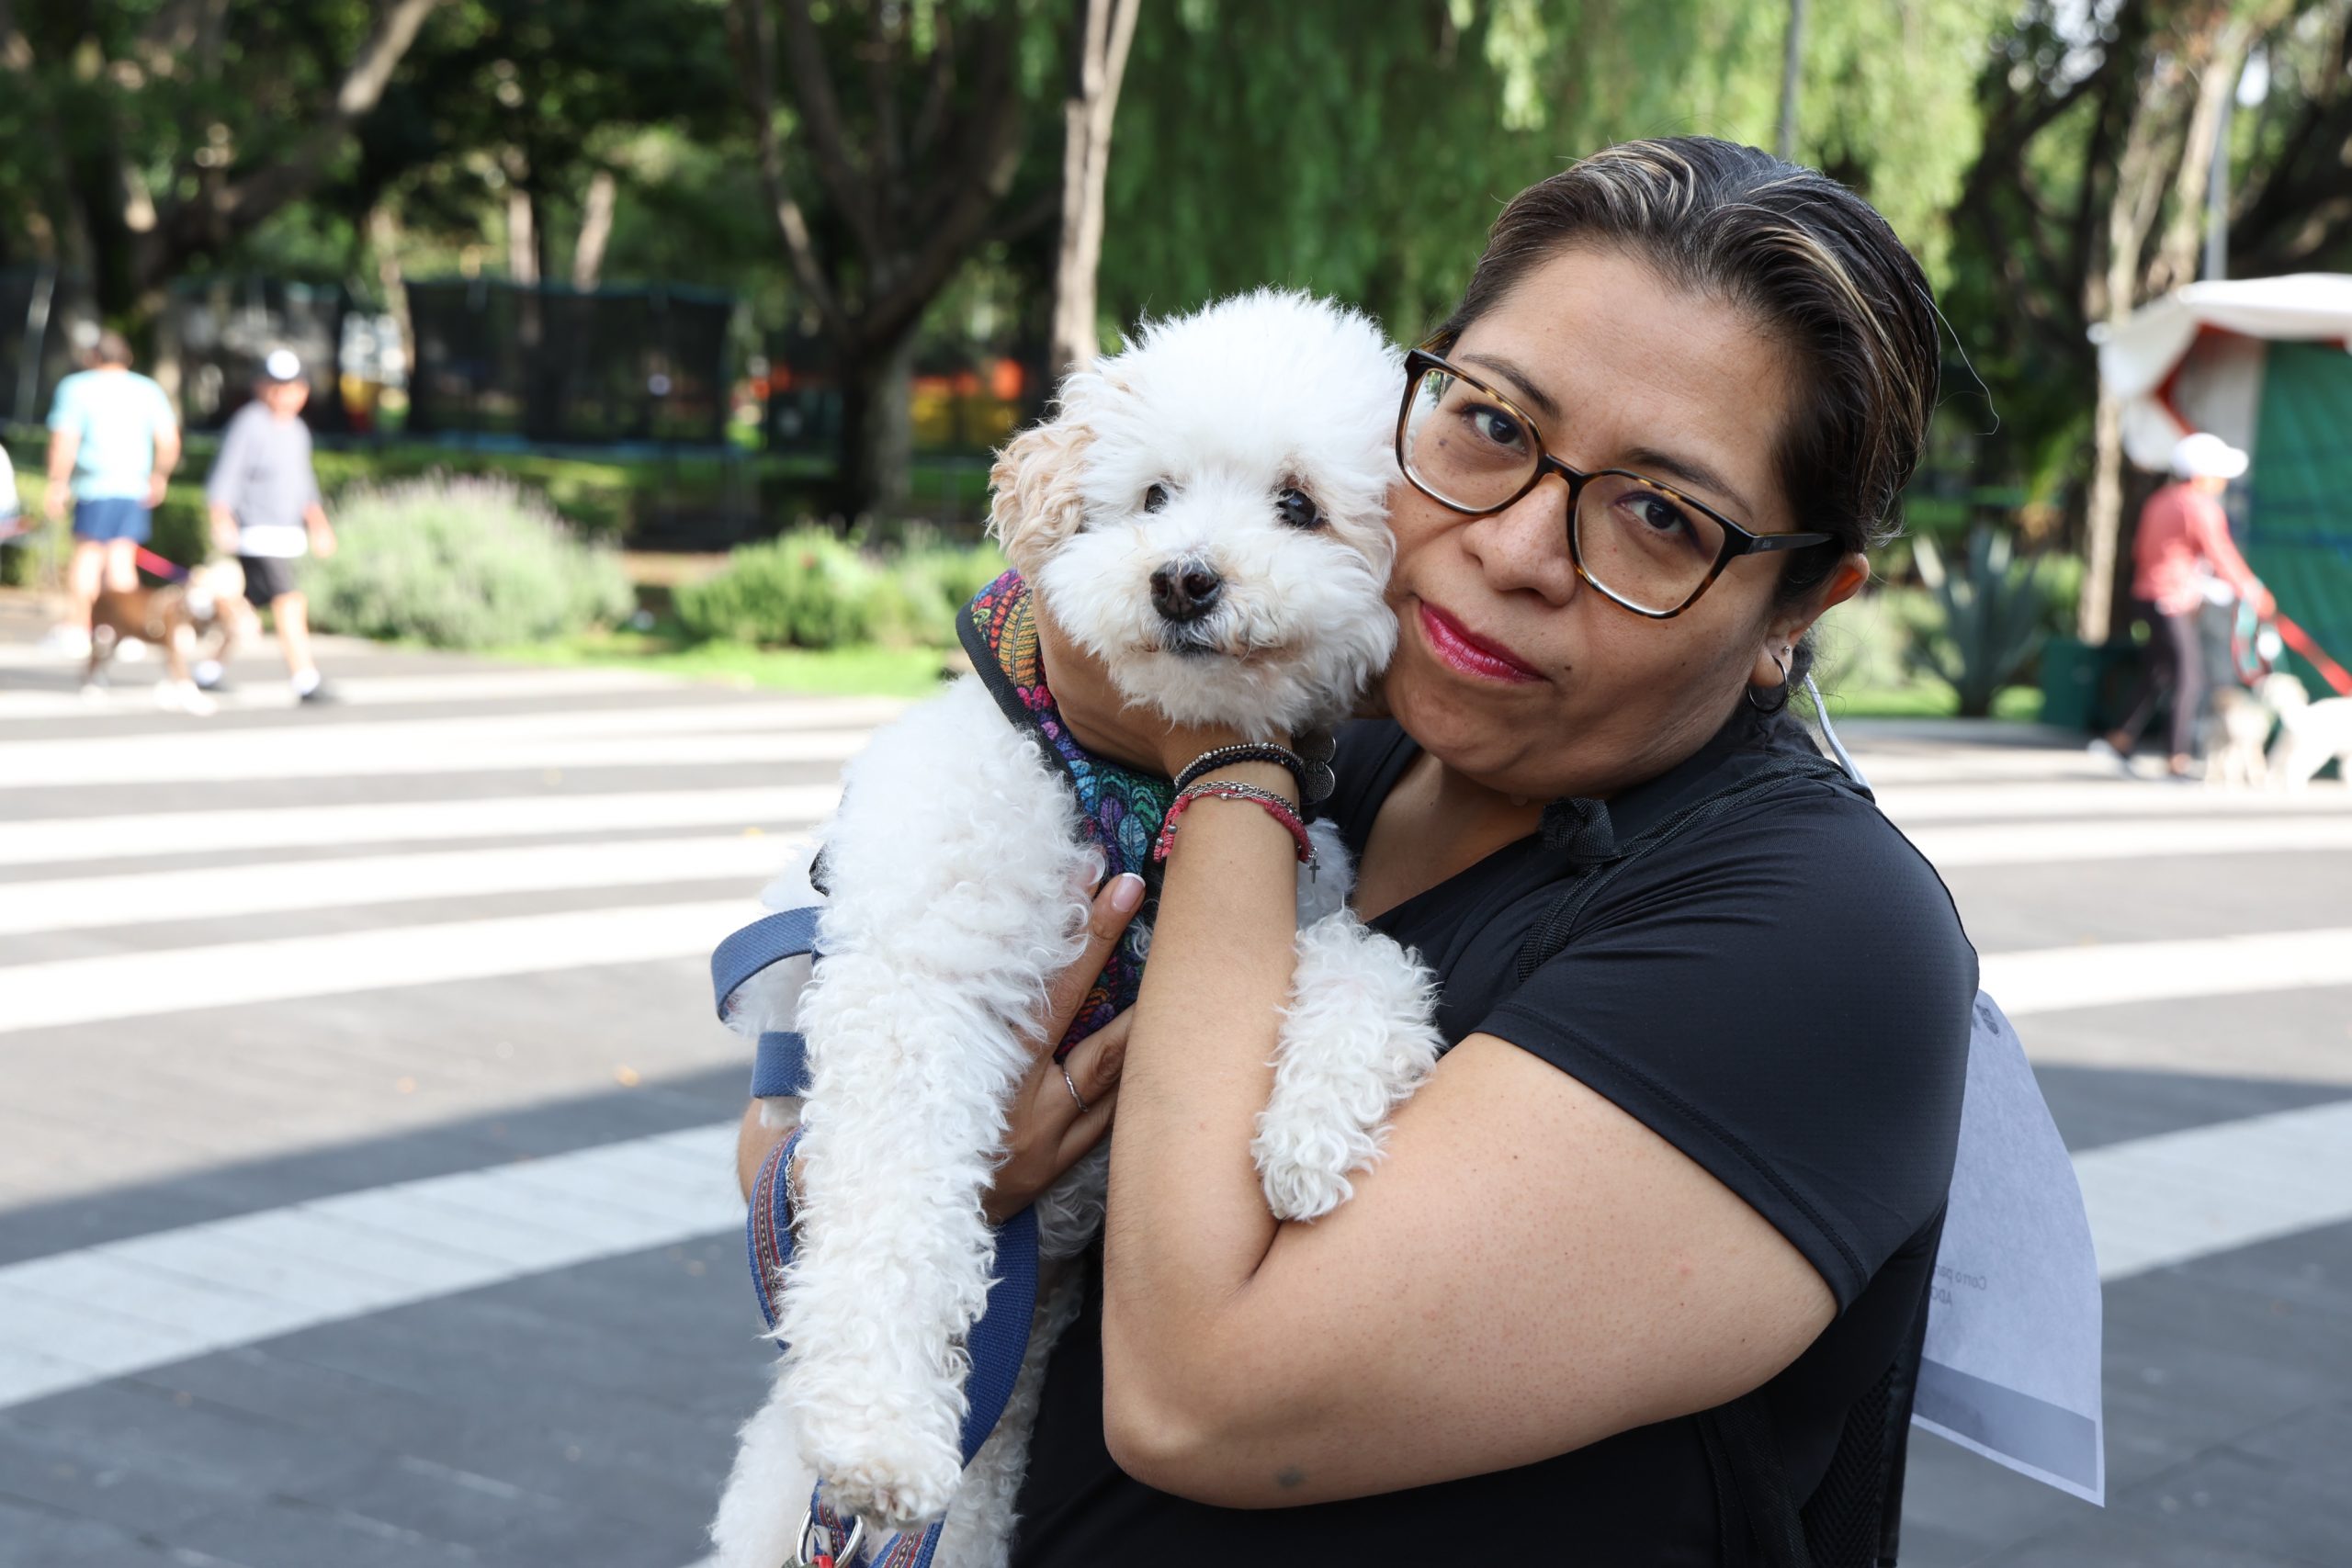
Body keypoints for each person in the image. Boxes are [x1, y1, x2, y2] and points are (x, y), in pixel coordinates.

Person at [737, 136, 1977, 1563]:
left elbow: (1198, 1394)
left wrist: (1222, 753)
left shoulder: (1813, 932)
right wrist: (902, 1164)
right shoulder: (1374, 746)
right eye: (1495, 426)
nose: (1516, 547)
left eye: (1660, 515)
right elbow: (808, 1091)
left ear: (1798, 603)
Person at [2093, 432, 2271, 780]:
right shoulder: (2198, 505)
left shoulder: (2162, 500)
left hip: (2151, 596)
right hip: (2168, 600)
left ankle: (2119, 740)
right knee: (2190, 677)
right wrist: (2251, 590)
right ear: (2203, 474)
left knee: (2160, 671)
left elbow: (2150, 553)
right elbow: (2220, 553)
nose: (2223, 481)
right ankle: (2178, 758)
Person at [205, 349, 337, 703]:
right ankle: (305, 678)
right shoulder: (249, 423)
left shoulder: (296, 429)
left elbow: (304, 484)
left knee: (247, 607)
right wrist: (220, 517)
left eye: (292, 388)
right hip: (257, 534)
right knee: (289, 602)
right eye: (276, 387)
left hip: (287, 534)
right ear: (262, 388)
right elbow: (226, 476)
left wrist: (319, 524)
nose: (285, 395)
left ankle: (209, 670)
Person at [43, 331, 181, 652]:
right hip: (133, 486)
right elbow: (169, 442)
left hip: (94, 485)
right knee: (121, 562)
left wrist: (57, 483)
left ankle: (79, 628)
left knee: (87, 559)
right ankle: (126, 632)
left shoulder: (77, 387)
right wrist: (158, 476)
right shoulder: (148, 390)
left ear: (93, 357)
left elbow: (64, 441)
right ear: (128, 357)